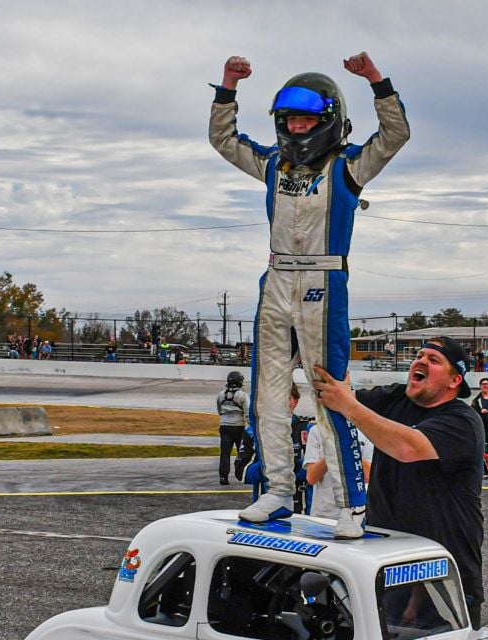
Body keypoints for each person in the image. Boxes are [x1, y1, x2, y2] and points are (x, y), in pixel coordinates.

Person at [209, 52, 409, 538]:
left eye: (307, 120)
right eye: (290, 121)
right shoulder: (272, 163)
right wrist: (228, 86)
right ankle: (278, 490)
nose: (298, 130)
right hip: (275, 280)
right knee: (268, 396)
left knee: (330, 394)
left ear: (329, 122)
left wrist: (376, 82)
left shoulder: (348, 166)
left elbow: (395, 135)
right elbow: (223, 139)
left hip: (325, 282)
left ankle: (350, 503)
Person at [313, 336, 485, 628]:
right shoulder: (396, 398)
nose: (420, 360)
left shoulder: (463, 421)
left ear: (455, 380)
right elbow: (340, 395)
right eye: (420, 355)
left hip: (441, 573)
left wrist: (348, 406)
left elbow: (408, 448)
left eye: (434, 360)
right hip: (388, 565)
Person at [234, 383, 312, 513]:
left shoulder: (308, 430)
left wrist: (291, 465)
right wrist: (270, 465)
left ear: (295, 402)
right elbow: (241, 473)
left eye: (286, 398)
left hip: (302, 513)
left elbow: (315, 473)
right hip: (265, 513)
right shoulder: (253, 432)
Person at [304, 423, 373, 519]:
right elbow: (311, 478)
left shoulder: (367, 431)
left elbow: (369, 476)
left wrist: (350, 449)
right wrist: (333, 450)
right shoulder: (316, 431)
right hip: (323, 514)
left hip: (356, 515)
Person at [216, 371, 250, 485]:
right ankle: (241, 474)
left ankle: (223, 477)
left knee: (225, 453)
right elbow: (248, 413)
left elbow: (219, 411)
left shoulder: (221, 394)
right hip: (238, 427)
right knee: (242, 452)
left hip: (224, 426)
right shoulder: (243, 395)